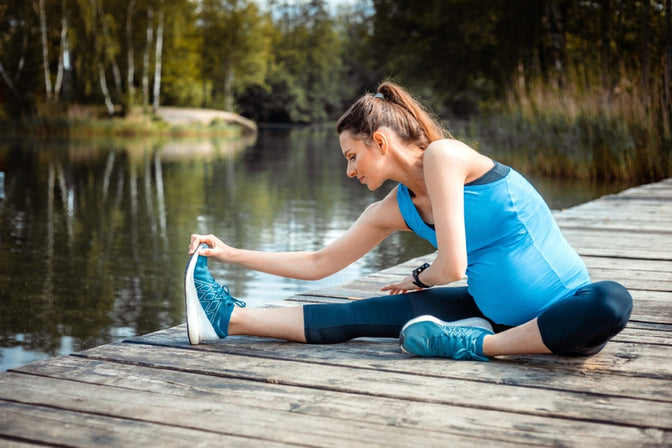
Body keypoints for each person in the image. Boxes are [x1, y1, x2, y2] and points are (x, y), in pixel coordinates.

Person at [184, 81, 633, 362]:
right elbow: (319, 262)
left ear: (379, 141)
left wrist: (419, 278)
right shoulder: (391, 208)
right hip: (488, 311)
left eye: (352, 156)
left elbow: (452, 267)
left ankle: (472, 345)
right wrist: (229, 253)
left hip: (567, 314)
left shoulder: (445, 156)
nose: (350, 171)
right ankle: (227, 318)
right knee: (358, 313)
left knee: (613, 301)